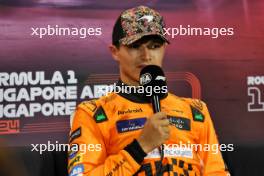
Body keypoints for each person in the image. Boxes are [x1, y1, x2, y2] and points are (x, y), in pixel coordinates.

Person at [68, 5, 230, 176]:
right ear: (115, 52)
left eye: (154, 46)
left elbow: (216, 172)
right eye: (135, 45)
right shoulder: (94, 114)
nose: (146, 55)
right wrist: (139, 147)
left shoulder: (195, 111)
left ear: (164, 49)